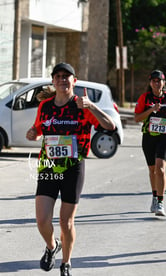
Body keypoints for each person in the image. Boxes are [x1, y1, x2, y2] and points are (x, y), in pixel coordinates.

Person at [26, 63, 115, 276]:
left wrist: (92, 106)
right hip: (48, 165)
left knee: (66, 222)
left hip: (73, 168)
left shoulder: (81, 105)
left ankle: (66, 263)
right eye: (58, 76)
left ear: (74, 80)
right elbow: (38, 130)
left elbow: (110, 126)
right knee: (42, 220)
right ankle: (51, 246)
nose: (62, 79)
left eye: (66, 76)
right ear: (53, 81)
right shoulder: (45, 106)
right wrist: (33, 133)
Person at [134, 69, 166, 216]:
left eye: (159, 80)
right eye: (154, 80)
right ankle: (155, 196)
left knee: (160, 168)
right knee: (152, 170)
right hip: (149, 137)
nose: (156, 83)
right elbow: (137, 118)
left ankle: (160, 201)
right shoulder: (145, 98)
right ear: (150, 83)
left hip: (164, 138)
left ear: (163, 83)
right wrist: (151, 110)